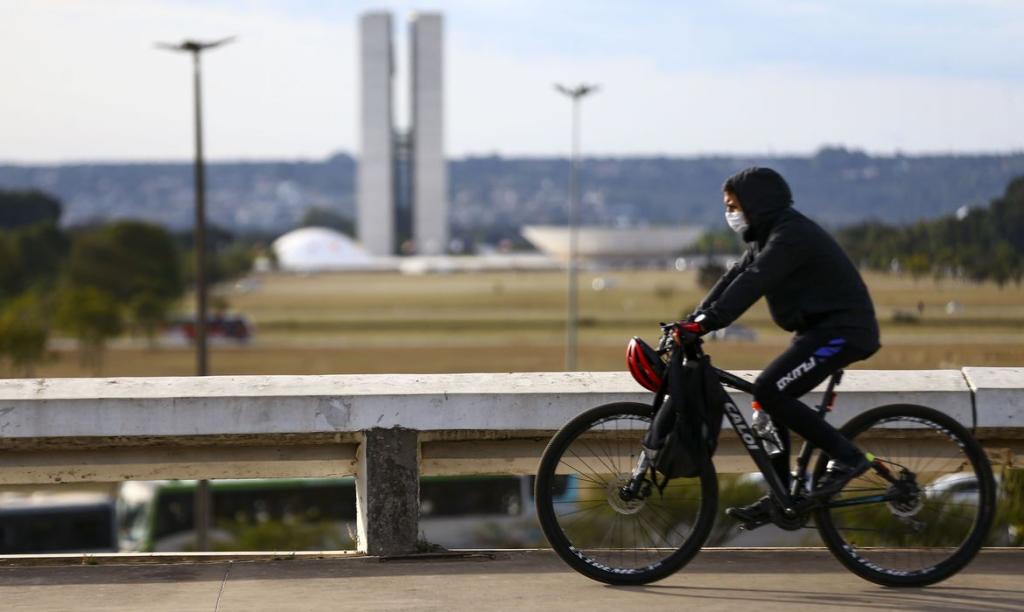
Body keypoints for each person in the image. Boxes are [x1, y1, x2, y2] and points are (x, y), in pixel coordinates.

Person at [688, 167, 881, 528]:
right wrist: (693, 321)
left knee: (768, 389)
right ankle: (781, 495)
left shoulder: (790, 235)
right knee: (767, 401)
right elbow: (734, 277)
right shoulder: (764, 237)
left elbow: (755, 281)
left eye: (734, 205)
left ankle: (849, 457)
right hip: (817, 332)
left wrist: (709, 323)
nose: (730, 213)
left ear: (755, 203)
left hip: (844, 332)